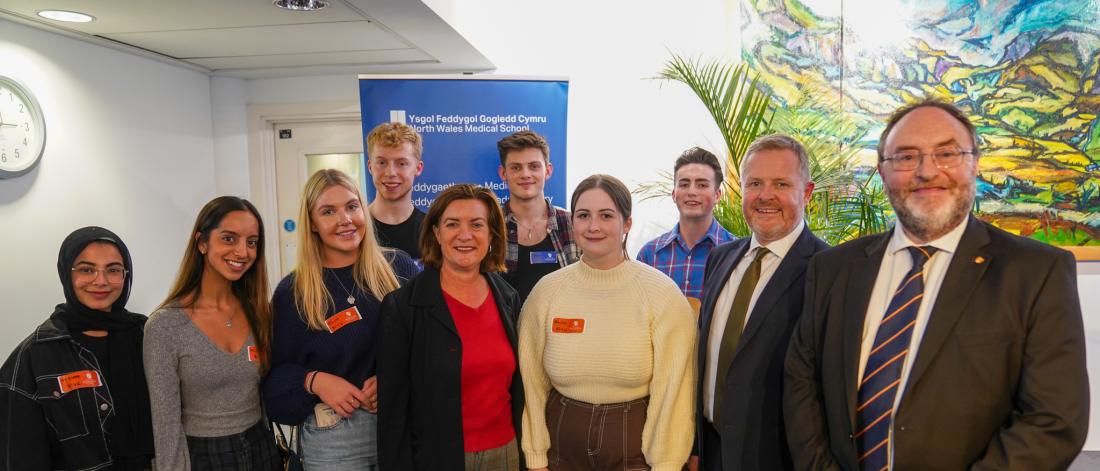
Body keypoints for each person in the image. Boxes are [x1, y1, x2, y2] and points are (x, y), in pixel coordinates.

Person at [784, 99, 1089, 470]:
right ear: (883, 173)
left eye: (947, 153)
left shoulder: (1037, 272)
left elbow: (1053, 421)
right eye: (906, 157)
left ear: (975, 163)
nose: (927, 171)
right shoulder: (833, 269)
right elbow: (801, 384)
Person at [518, 174, 696, 471]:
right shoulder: (546, 293)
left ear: (627, 224)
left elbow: (675, 390)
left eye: (606, 215)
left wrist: (666, 463)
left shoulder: (662, 295)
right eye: (584, 215)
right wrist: (536, 457)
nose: (594, 226)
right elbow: (531, 384)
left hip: (635, 448)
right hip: (561, 447)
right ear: (572, 223)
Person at [263, 169, 417, 470]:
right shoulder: (294, 292)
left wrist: (395, 377)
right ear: (313, 224)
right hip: (333, 436)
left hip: (401, 423)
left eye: (351, 206)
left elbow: (429, 345)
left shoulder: (399, 268)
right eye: (328, 211)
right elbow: (273, 382)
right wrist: (314, 381)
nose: (345, 219)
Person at [692, 135, 827, 471]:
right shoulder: (720, 259)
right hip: (712, 453)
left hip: (780, 460)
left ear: (806, 193)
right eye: (755, 183)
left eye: (781, 183)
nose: (766, 195)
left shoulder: (828, 270)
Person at [378, 183, 524, 470]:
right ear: (436, 232)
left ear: (492, 233)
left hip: (505, 454)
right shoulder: (403, 307)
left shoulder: (508, 298)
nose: (465, 235)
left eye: (477, 224)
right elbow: (392, 414)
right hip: (437, 458)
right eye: (452, 224)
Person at [0, 226, 154, 470]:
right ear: (66, 274)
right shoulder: (35, 354)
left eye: (113, 270)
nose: (100, 281)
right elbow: (20, 453)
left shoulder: (149, 336)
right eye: (86, 269)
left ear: (126, 275)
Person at [144, 196, 281, 470]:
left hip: (262, 449)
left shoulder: (260, 313)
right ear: (202, 243)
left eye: (252, 242)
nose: (243, 252)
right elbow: (166, 424)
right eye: (229, 239)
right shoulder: (165, 326)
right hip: (203, 456)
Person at [637, 147, 735, 309]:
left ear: (717, 195)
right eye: (684, 184)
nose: (692, 192)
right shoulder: (649, 255)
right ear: (674, 194)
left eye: (702, 185)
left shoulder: (737, 254)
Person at [496, 130, 580, 303]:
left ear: (548, 171)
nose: (525, 174)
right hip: (504, 329)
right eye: (516, 167)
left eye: (534, 166)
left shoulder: (573, 224)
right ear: (503, 173)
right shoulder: (489, 225)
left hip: (560, 327)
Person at [367, 122, 426, 260]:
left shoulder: (432, 231)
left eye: (401, 163)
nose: (390, 173)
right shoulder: (355, 229)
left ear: (418, 168)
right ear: (370, 167)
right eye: (382, 162)